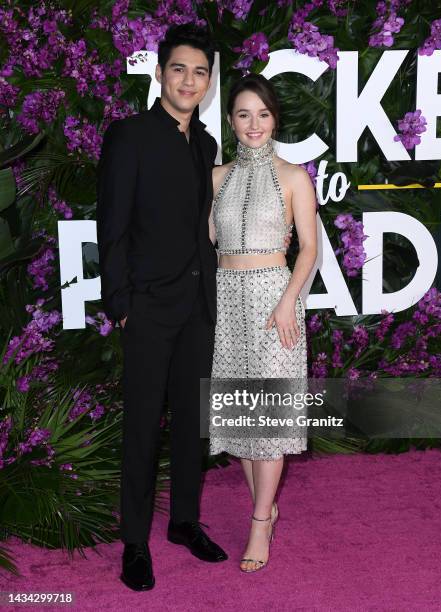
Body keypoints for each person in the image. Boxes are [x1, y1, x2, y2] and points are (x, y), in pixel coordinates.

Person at [96, 24, 228, 592]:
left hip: (197, 306)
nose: (190, 80)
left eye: (200, 72)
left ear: (207, 82)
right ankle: (133, 543)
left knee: (193, 425)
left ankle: (183, 522)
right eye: (180, 69)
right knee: (144, 429)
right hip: (148, 309)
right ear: (160, 73)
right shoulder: (129, 136)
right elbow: (113, 227)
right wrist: (122, 304)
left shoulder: (205, 145)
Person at [208, 73, 317, 572]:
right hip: (226, 302)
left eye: (264, 114)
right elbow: (203, 238)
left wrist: (287, 302)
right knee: (241, 418)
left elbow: (309, 251)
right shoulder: (215, 177)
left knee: (267, 421)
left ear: (276, 119)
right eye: (244, 114)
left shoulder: (295, 176)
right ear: (230, 120)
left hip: (275, 300)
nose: (254, 124)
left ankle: (258, 524)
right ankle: (266, 508)